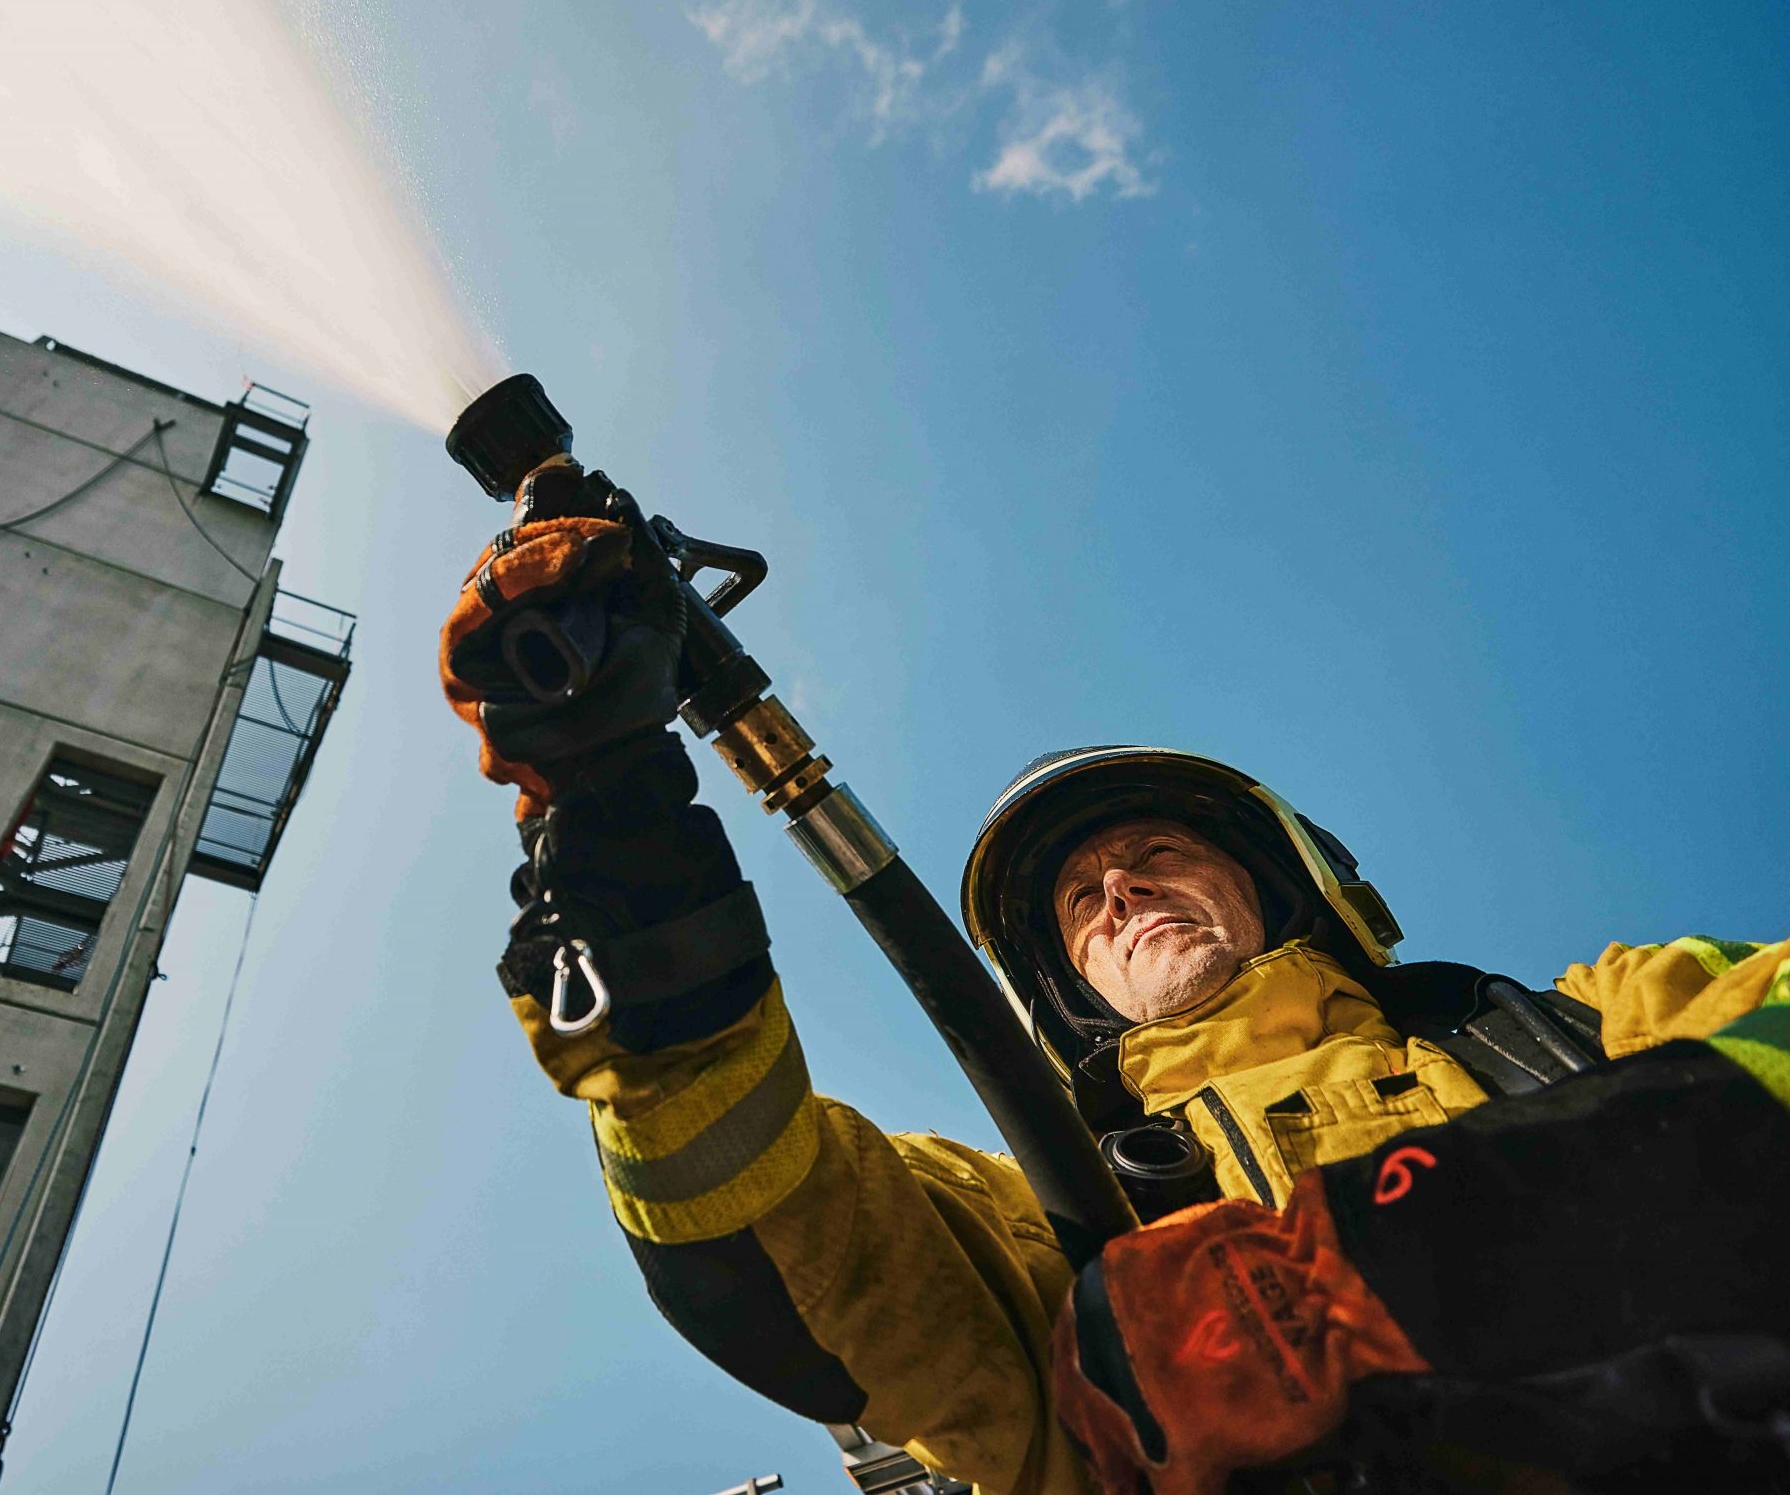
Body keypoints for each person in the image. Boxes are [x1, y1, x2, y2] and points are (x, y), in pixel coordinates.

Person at [440, 483, 1790, 1494]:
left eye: (1154, 855)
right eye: (1082, 902)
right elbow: (770, 1233)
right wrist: (620, 848)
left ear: (1285, 883)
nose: (1120, 894)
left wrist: (1376, 1276)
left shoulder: (1593, 1021)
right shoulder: (1042, 1210)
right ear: (1065, 989)